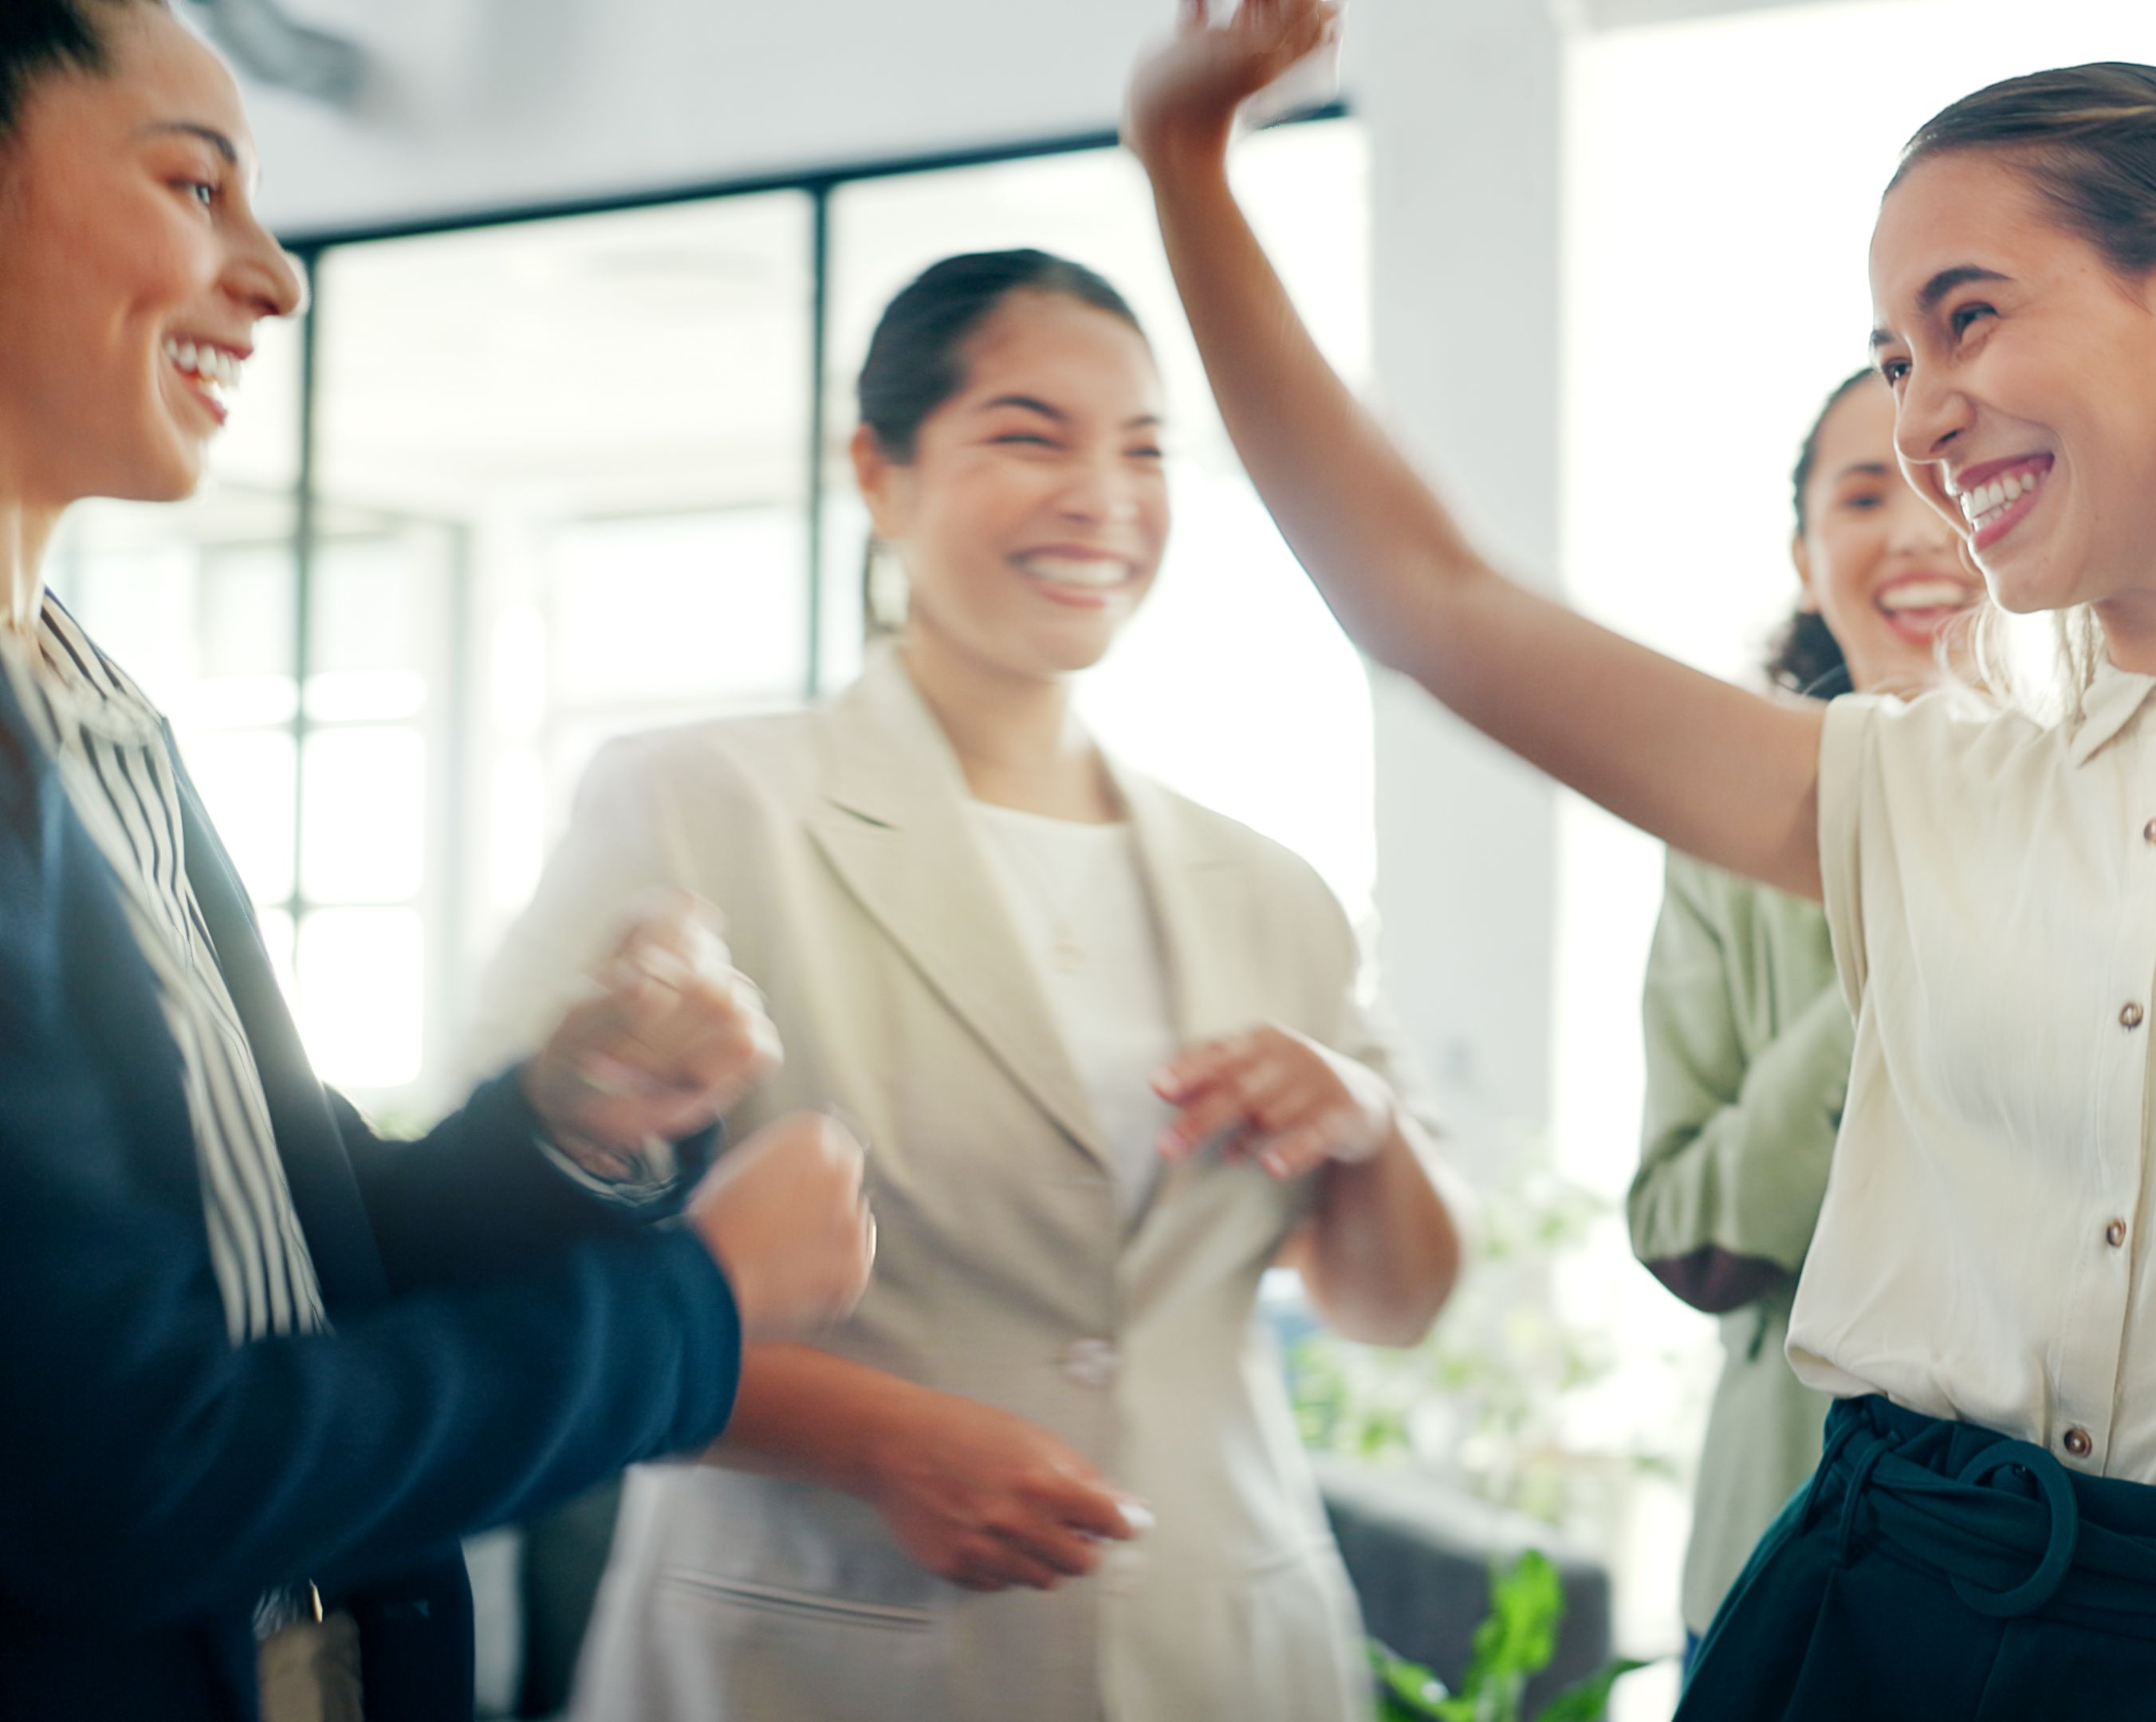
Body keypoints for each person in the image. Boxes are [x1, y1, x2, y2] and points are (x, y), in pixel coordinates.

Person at [1129, 0, 2156, 1712]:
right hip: (1852, 1634)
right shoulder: (1920, 795)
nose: (1921, 420)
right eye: (1895, 361)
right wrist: (1182, 162)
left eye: (1963, 322)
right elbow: (1432, 607)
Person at [0, 5, 878, 1718]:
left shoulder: (96, 714)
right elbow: (129, 1475)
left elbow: (301, 1263)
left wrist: (567, 1122)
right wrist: (694, 1313)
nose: (276, 276)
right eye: (196, 187)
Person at [471, 247, 1464, 1722]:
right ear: (880, 471)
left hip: (1220, 1647)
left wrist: (1367, 1122)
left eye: (1145, 449)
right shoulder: (696, 805)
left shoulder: (1270, 888)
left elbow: (1391, 1305)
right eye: (1029, 434)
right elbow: (496, 1266)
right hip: (817, 1648)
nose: (1103, 497)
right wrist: (871, 1439)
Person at [1624, 366, 1979, 1677]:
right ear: (1805, 551)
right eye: (1865, 492)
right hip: (1782, 1568)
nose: (1917, 529)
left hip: (2061, 1604)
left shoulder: (2135, 817)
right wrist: (1899, 960)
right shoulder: (1720, 846)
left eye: (1950, 482)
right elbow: (1683, 1239)